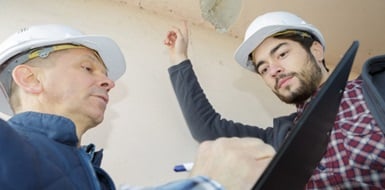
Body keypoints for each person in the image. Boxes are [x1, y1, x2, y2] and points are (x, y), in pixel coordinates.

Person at [0, 24, 276, 190]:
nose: (109, 82)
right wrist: (208, 184)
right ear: (30, 78)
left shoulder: (91, 176)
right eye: (87, 67)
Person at [164, 11, 385, 189]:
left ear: (316, 50)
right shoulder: (282, 140)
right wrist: (178, 59)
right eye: (264, 68)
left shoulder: (376, 86)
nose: (274, 70)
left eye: (281, 54)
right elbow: (207, 128)